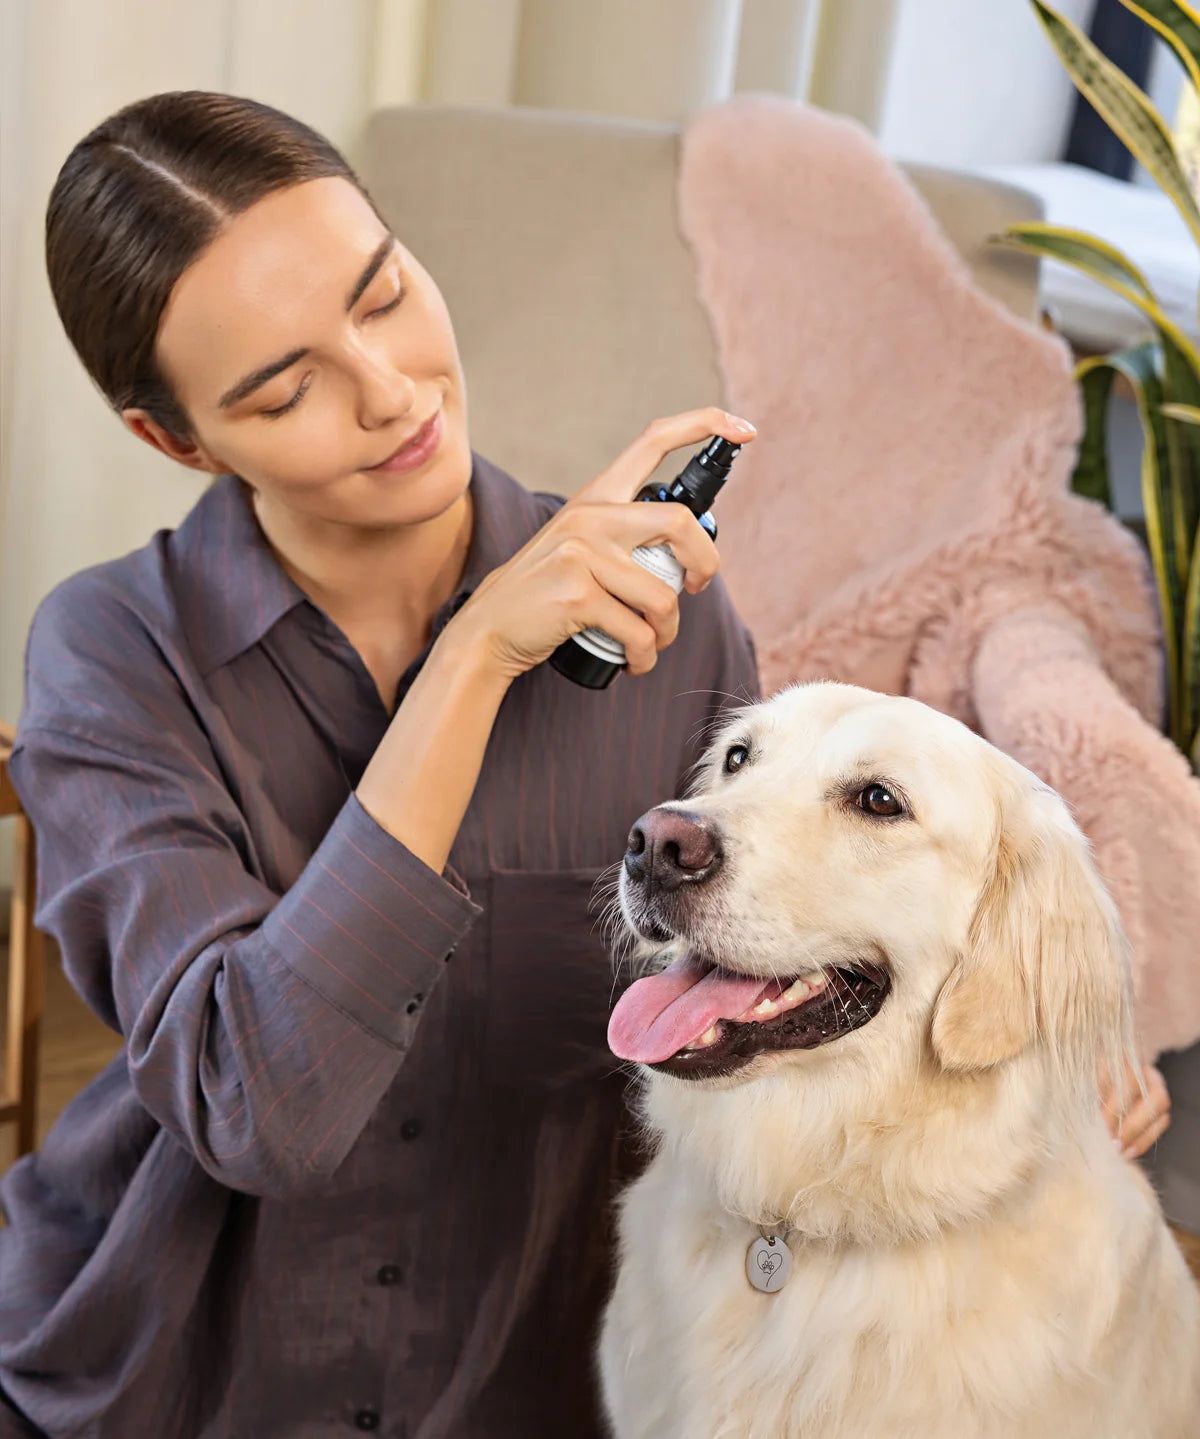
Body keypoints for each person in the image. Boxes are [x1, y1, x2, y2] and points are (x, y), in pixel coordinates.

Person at [0, 91, 758, 1438]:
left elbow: (742, 1006)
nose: (391, 389)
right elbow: (262, 1113)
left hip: (538, 1393)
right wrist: (473, 664)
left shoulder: (668, 625)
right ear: (176, 440)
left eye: (387, 292)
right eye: (287, 389)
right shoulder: (110, 657)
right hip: (166, 1385)